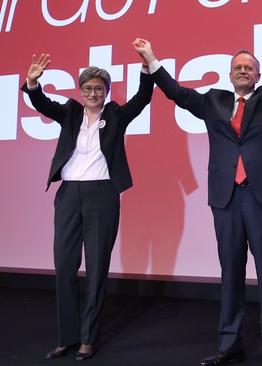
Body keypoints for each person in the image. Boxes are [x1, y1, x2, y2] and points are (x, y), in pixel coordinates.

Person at [133, 13, 262, 366]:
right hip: (226, 198)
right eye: (238, 67)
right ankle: (229, 344)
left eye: (250, 67)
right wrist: (151, 59)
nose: (243, 71)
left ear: (258, 76)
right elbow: (177, 93)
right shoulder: (213, 101)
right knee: (230, 270)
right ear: (230, 75)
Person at [22, 41, 154, 361]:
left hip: (102, 196)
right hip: (68, 195)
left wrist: (146, 67)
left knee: (96, 269)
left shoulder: (117, 115)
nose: (93, 93)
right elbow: (41, 104)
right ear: (80, 90)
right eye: (88, 88)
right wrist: (33, 83)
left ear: (107, 91)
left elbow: (143, 98)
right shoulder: (68, 112)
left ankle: (87, 338)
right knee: (65, 267)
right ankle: (66, 336)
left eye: (99, 88)